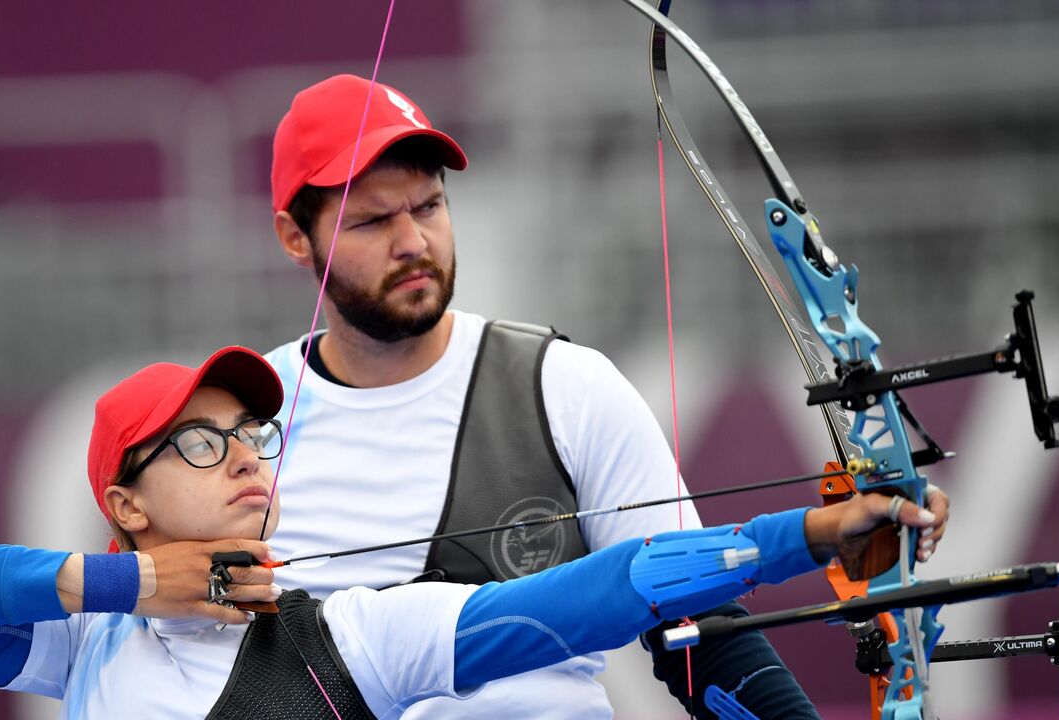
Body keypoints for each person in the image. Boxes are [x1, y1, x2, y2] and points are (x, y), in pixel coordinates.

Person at [263, 74, 949, 719]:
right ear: (297, 237)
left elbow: (696, 626)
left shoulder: (565, 387)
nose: (414, 242)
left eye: (430, 206)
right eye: (374, 221)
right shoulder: (245, 426)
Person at [0, 345, 949, 719]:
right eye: (196, 444)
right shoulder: (82, 641)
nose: (241, 457)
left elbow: (591, 594)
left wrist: (802, 533)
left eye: (251, 439)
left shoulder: (347, 638)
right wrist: (128, 588)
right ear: (125, 503)